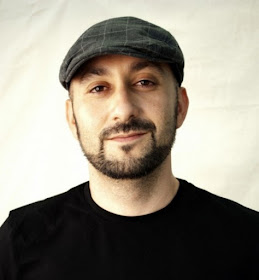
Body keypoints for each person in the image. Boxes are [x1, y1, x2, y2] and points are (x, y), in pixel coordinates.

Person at [0, 16, 258, 280]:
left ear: (179, 106)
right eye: (99, 88)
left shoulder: (250, 239)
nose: (123, 110)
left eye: (144, 82)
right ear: (72, 118)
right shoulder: (20, 240)